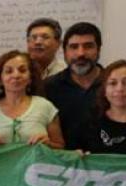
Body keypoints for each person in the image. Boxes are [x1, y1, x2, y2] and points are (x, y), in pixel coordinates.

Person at [0, 50, 64, 149]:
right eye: (9, 71)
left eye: (22, 70)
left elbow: (60, 147)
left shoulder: (45, 106)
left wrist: (48, 144)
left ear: (30, 78)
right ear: (0, 80)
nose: (16, 75)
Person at [45, 22, 104, 150]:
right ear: (65, 51)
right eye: (74, 47)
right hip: (63, 165)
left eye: (88, 46)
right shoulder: (48, 87)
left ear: (98, 49)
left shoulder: (115, 85)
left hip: (107, 165)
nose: (80, 53)